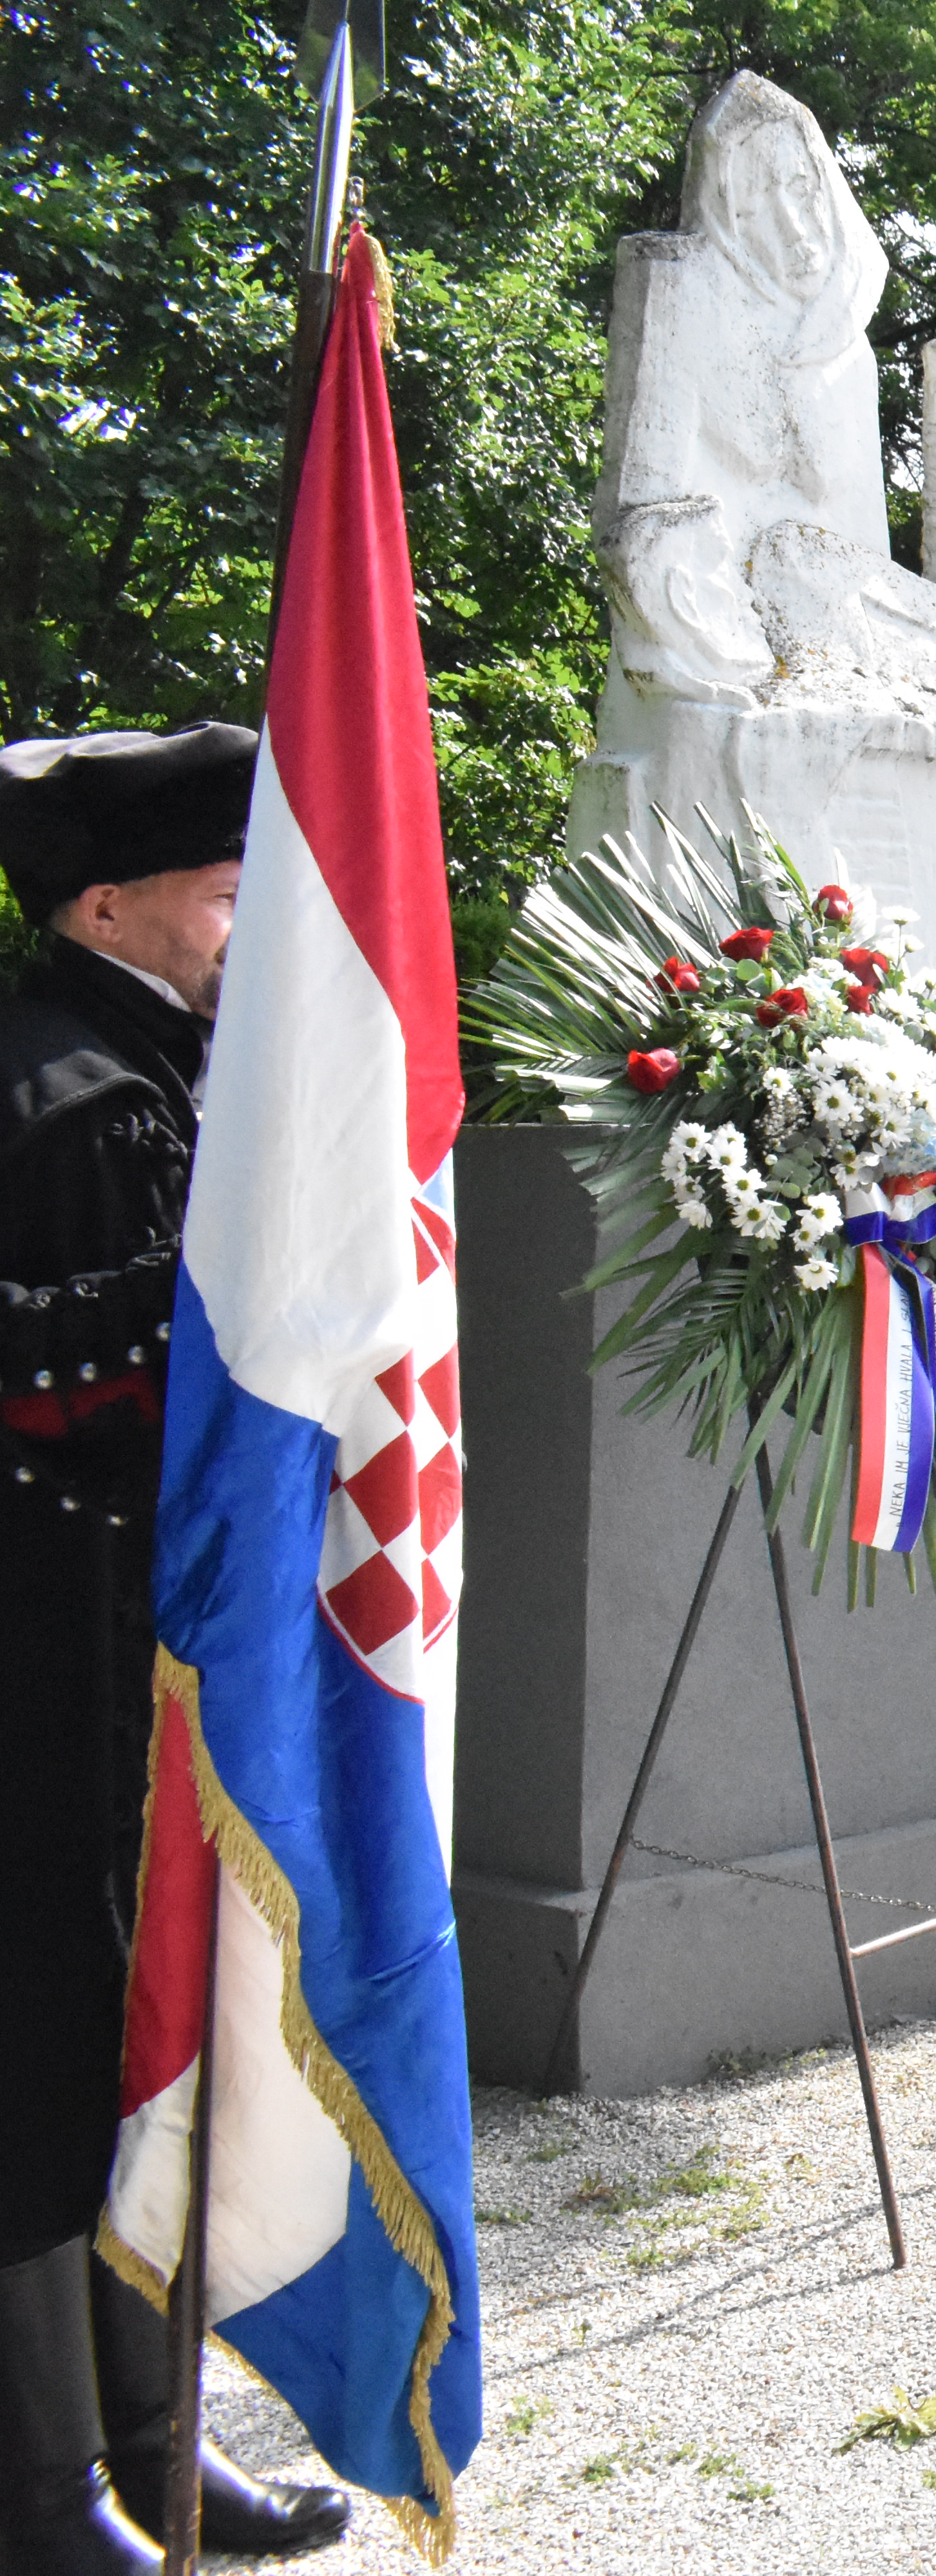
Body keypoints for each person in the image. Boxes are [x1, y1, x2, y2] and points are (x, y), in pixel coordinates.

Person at [0, 725, 349, 2566]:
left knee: (145, 2047)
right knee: (50, 2065)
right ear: (110, 901)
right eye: (223, 894)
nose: (246, 923)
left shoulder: (149, 1071)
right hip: (57, 1684)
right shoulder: (76, 1100)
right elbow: (96, 1414)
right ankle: (49, 2498)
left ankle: (153, 2445)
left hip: (137, 1669)